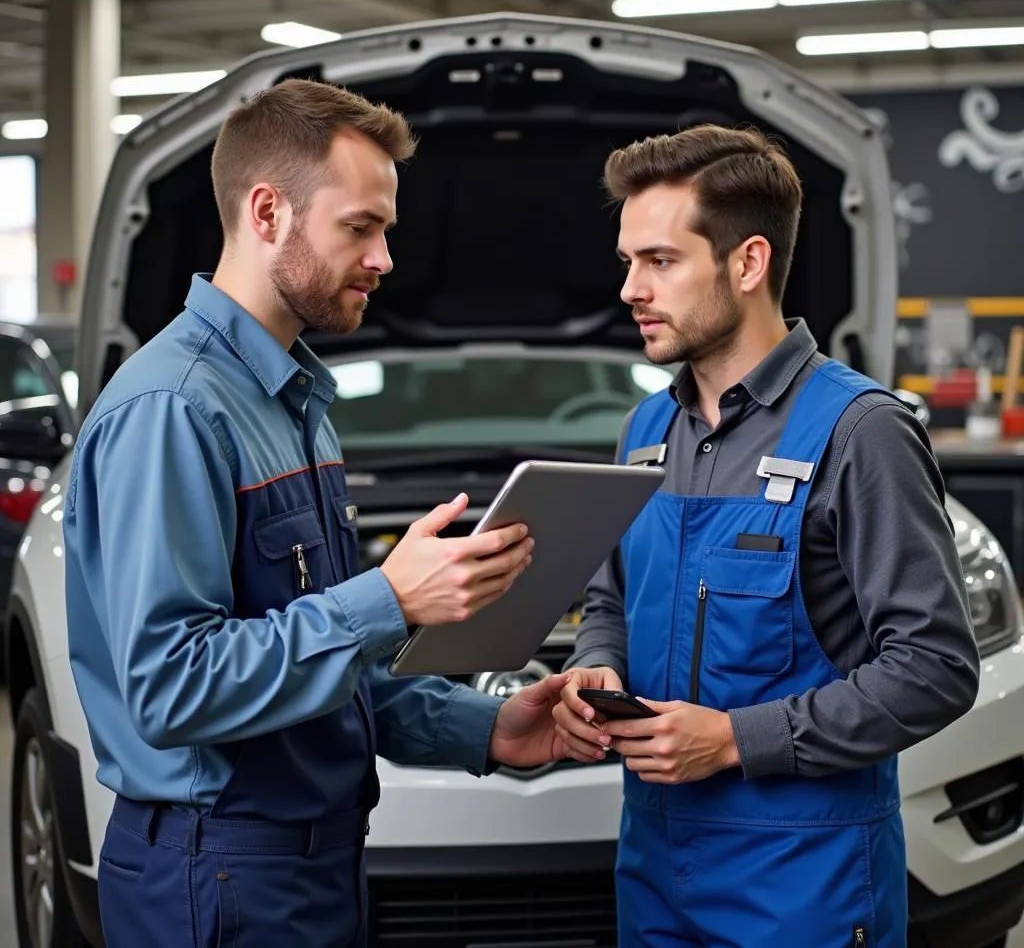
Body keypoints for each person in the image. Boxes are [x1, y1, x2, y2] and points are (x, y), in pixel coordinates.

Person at [63, 78, 571, 948]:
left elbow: (336, 676)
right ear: (267, 213)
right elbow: (170, 685)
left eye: (385, 230)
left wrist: (489, 728)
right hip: (215, 876)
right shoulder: (174, 410)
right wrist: (389, 598)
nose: (384, 259)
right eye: (360, 227)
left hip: (306, 868)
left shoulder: (294, 402)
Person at [553, 124, 981, 947]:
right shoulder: (646, 429)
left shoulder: (860, 432)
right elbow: (609, 598)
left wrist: (733, 740)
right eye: (628, 262)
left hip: (803, 880)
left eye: (661, 261)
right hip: (653, 865)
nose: (630, 290)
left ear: (747, 263)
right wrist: (595, 667)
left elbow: (935, 668)